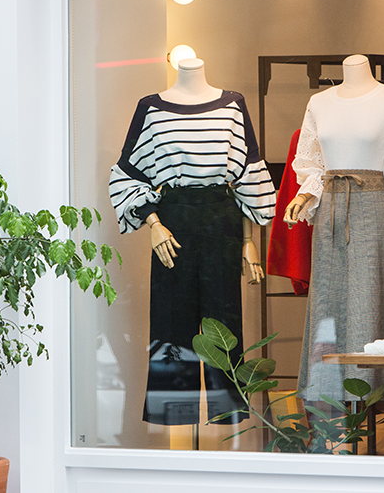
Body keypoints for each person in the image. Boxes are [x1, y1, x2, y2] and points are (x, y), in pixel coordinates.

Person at [109, 58, 276, 424]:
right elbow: (127, 174)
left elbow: (247, 173)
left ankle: (227, 413)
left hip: (221, 216)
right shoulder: (150, 108)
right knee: (171, 320)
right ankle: (174, 411)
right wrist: (153, 222)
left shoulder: (232, 105)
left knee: (223, 321)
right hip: (173, 218)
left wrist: (249, 240)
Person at [284, 54, 384, 401]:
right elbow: (313, 164)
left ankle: (377, 396)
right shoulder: (319, 103)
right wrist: (304, 195)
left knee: (372, 301)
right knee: (327, 304)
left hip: (376, 210)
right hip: (330, 214)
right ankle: (327, 396)